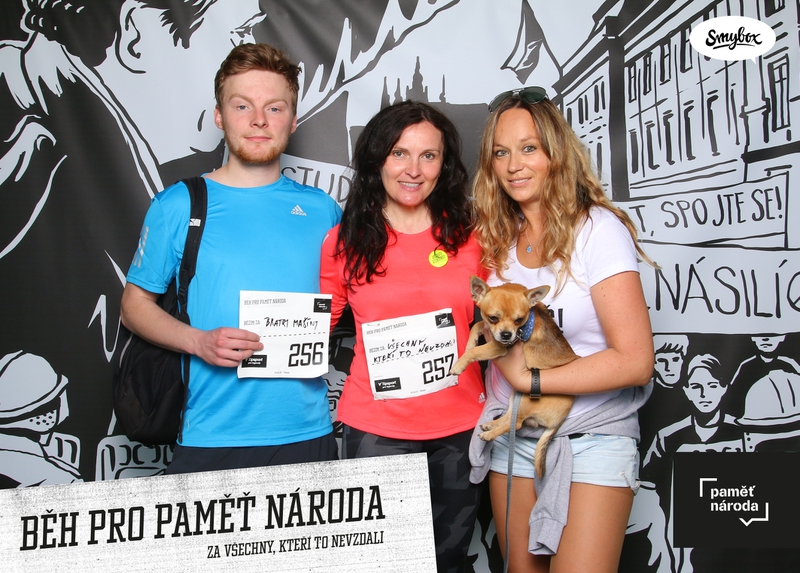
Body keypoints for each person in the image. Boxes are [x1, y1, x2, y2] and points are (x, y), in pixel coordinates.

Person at [120, 43, 342, 473]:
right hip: (210, 436)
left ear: (293, 119)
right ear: (220, 116)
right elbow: (133, 306)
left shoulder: (323, 210)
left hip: (308, 435)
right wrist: (198, 342)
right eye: (242, 106)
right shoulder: (178, 204)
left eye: (274, 107)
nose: (259, 120)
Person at [469, 87, 655, 572]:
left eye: (529, 148)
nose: (514, 165)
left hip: (590, 437)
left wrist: (530, 380)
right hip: (510, 436)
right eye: (500, 153)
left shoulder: (597, 230)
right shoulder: (496, 240)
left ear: (556, 153)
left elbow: (636, 362)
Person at [319, 100, 485, 573]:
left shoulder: (473, 238)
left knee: (449, 561)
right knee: (383, 564)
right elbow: (317, 325)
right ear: (377, 160)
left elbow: (502, 318)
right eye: (399, 153)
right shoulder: (344, 242)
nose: (413, 170)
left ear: (444, 165)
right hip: (376, 429)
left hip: (460, 429)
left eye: (428, 156)